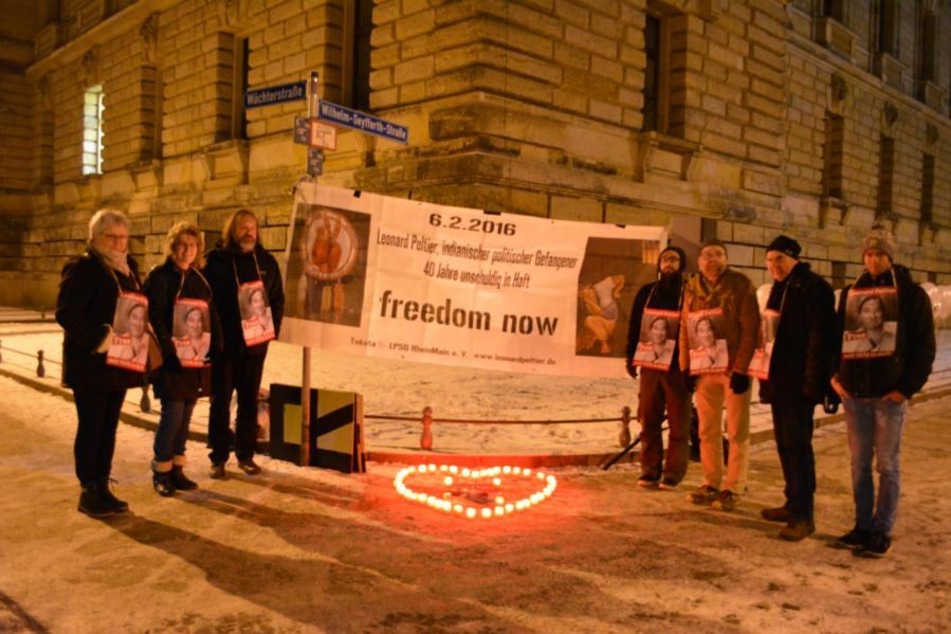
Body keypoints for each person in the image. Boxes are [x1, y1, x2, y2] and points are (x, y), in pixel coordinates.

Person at [830, 225, 935, 557]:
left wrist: (906, 389)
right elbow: (837, 339)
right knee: (858, 463)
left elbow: (923, 347)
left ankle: (882, 528)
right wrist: (835, 377)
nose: (873, 259)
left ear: (890, 257)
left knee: (887, 465)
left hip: (888, 395)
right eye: (869, 253)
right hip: (854, 393)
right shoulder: (851, 294)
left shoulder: (910, 294)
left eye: (880, 253)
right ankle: (862, 525)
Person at [55, 209, 145, 518]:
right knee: (92, 425)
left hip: (119, 363)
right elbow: (66, 312)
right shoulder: (83, 267)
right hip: (91, 365)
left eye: (123, 237)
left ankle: (102, 483)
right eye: (112, 237)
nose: (120, 243)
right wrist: (98, 337)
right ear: (95, 238)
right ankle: (88, 489)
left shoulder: (128, 268)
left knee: (108, 427)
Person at [757, 236, 838, 542]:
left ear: (794, 259)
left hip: (799, 382)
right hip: (778, 379)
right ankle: (792, 502)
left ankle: (804, 515)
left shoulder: (814, 288)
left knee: (798, 447)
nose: (773, 266)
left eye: (779, 259)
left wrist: (812, 382)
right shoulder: (781, 287)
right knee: (784, 444)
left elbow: (821, 338)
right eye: (769, 261)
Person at [679, 239, 759, 511]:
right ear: (699, 261)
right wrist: (685, 365)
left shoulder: (740, 284)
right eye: (707, 255)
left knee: (737, 430)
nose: (712, 259)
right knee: (706, 429)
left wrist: (742, 368)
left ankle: (734, 485)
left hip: (732, 369)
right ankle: (711, 481)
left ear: (725, 258)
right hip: (703, 369)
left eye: (718, 254)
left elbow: (750, 328)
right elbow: (684, 327)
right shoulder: (691, 287)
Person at [204, 209, 285, 479]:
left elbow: (277, 299)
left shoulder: (266, 262)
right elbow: (206, 302)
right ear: (231, 231)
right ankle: (218, 457)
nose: (249, 232)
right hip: (225, 346)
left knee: (249, 401)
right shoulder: (215, 262)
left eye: (253, 227)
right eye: (243, 227)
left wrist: (272, 331)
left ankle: (245, 454)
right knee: (220, 401)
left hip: (255, 346)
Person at [145, 222, 219, 496]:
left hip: (194, 360)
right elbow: (154, 316)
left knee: (186, 414)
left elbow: (210, 314)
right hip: (171, 361)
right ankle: (160, 471)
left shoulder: (198, 279)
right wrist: (168, 350)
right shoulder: (160, 277)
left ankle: (176, 468)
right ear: (173, 246)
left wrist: (215, 344)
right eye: (183, 245)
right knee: (172, 415)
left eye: (193, 245)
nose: (188, 250)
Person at [625, 246, 691, 490]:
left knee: (678, 422)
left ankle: (674, 471)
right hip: (651, 364)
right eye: (665, 259)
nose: (669, 263)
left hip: (678, 367)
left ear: (681, 264)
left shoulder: (689, 292)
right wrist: (630, 357)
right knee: (649, 419)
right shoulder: (647, 291)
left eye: (674, 259)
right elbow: (634, 326)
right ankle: (650, 469)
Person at [579, 274, 625, 355]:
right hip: (603, 324)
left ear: (591, 289)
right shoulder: (584, 303)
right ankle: (596, 340)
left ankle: (605, 344)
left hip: (614, 324)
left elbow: (621, 278)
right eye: (587, 297)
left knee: (590, 320)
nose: (590, 298)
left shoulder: (601, 288)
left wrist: (616, 292)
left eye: (590, 294)